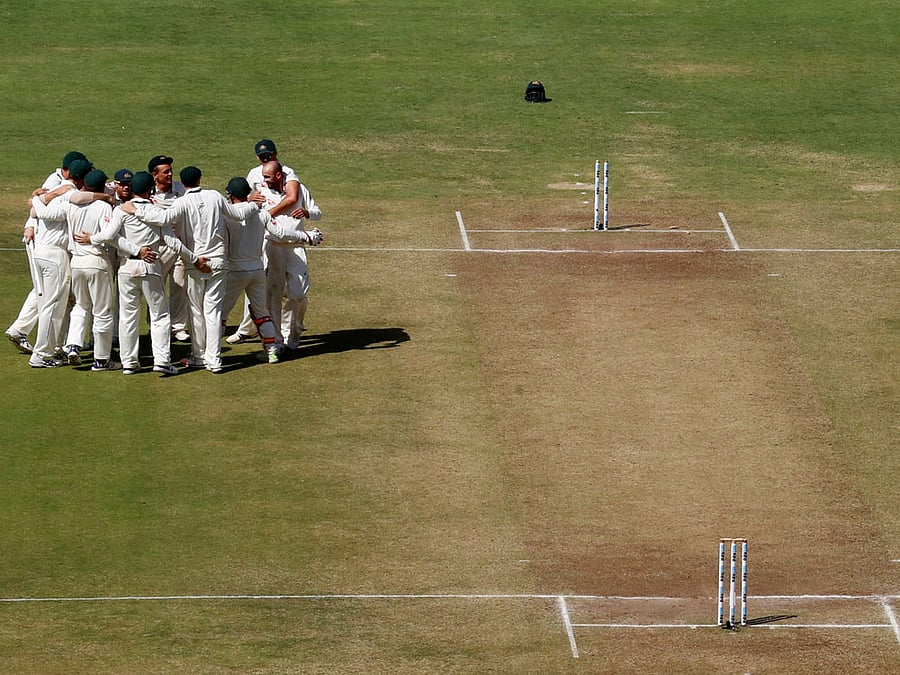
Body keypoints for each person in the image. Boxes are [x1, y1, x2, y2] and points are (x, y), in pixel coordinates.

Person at [76, 171, 209, 375]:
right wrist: (194, 259)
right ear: (150, 190)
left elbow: (111, 236)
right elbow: (172, 242)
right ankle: (162, 361)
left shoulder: (122, 210)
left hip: (126, 267)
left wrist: (93, 239)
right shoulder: (155, 212)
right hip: (150, 267)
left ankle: (129, 363)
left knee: (128, 316)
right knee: (160, 315)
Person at [123, 166, 254, 373]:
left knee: (196, 311)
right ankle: (215, 360)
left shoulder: (182, 201)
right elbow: (236, 215)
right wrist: (253, 205)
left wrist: (136, 210)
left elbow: (164, 220)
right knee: (213, 312)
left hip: (196, 263)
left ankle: (199, 356)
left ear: (182, 184)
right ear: (200, 178)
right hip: (218, 261)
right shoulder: (215, 196)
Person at [220, 176, 316, 363]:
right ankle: (271, 350)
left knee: (219, 313)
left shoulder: (227, 215)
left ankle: (210, 354)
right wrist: (306, 235)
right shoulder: (262, 214)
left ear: (231, 195)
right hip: (257, 270)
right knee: (262, 312)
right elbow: (281, 232)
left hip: (235, 271)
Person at [31, 169, 119, 370]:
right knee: (102, 312)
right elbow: (108, 236)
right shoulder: (104, 207)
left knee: (81, 306)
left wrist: (37, 197)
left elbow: (40, 212)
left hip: (76, 263)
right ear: (100, 187)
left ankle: (73, 346)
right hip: (97, 261)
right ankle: (102, 359)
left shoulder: (70, 204)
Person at [5, 150, 89, 355]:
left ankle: (39, 335)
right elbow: (37, 207)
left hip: (49, 244)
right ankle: (47, 344)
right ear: (69, 170)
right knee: (48, 294)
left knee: (49, 292)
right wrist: (30, 223)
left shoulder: (65, 183)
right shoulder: (57, 181)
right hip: (48, 244)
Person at [225, 139, 303, 344]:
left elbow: (292, 197)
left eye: (269, 155)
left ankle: (282, 333)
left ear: (276, 153)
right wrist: (251, 206)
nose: (266, 158)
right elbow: (245, 196)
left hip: (278, 234)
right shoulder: (253, 174)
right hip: (261, 238)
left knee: (277, 289)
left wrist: (265, 215)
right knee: (256, 285)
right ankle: (246, 329)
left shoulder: (287, 171)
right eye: (262, 156)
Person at [24, 157, 92, 367]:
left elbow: (37, 211)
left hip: (42, 253)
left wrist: (39, 197)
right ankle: (41, 355)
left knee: (49, 305)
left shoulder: (54, 191)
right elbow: (43, 212)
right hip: (55, 255)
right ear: (81, 180)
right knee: (53, 307)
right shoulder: (69, 195)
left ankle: (50, 350)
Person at [256, 160, 322, 352]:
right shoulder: (261, 193)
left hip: (296, 249)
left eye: (267, 177)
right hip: (273, 248)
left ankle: (294, 333)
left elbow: (318, 213)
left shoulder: (299, 189)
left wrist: (308, 213)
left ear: (278, 175)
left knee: (299, 294)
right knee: (273, 295)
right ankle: (277, 340)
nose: (264, 180)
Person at [148, 154, 191, 343]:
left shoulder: (180, 189)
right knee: (157, 288)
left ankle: (178, 327)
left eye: (171, 170)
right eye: (166, 172)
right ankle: (156, 325)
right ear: (154, 175)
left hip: (179, 244)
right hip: (159, 246)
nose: (170, 174)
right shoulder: (147, 192)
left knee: (180, 285)